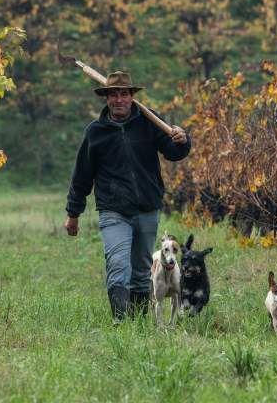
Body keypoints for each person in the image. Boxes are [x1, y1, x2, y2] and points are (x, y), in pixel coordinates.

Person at [64, 71, 190, 323]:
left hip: (147, 207)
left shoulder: (150, 123)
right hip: (113, 209)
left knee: (141, 270)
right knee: (118, 264)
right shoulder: (96, 132)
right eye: (113, 95)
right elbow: (82, 175)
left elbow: (174, 152)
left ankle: (138, 323)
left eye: (124, 94)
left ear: (132, 97)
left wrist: (183, 140)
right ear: (106, 99)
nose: (118, 99)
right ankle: (120, 323)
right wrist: (73, 213)